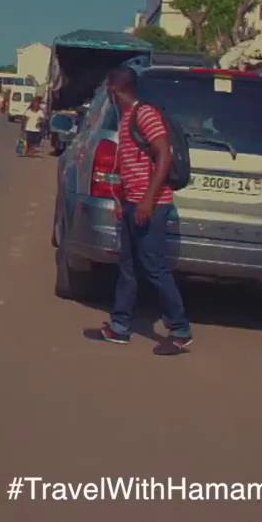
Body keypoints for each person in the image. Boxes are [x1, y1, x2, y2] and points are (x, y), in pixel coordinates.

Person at [95, 66, 192, 354]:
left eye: (108, 87)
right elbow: (127, 166)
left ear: (114, 89)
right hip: (132, 203)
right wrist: (121, 200)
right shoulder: (126, 118)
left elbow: (164, 155)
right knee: (128, 267)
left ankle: (180, 330)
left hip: (150, 205)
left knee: (154, 268)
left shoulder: (144, 113)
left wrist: (147, 200)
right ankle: (119, 326)